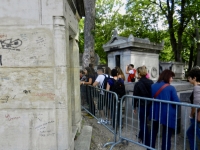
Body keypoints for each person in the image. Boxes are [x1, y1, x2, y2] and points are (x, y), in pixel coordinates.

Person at [150, 69, 180, 150]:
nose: (172, 79)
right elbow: (177, 102)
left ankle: (150, 147)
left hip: (155, 111)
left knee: (153, 131)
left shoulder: (153, 86)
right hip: (167, 113)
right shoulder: (171, 88)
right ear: (167, 77)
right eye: (171, 77)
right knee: (166, 135)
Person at [133, 66, 154, 147]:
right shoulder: (151, 82)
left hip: (142, 105)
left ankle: (147, 144)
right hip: (150, 105)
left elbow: (135, 96)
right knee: (144, 122)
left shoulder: (138, 84)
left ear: (139, 73)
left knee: (143, 123)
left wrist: (134, 107)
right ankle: (140, 136)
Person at [186, 68, 200, 150]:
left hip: (197, 117)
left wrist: (191, 114)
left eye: (189, 78)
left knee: (194, 133)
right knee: (190, 133)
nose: (188, 79)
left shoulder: (196, 88)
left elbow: (196, 105)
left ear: (194, 78)